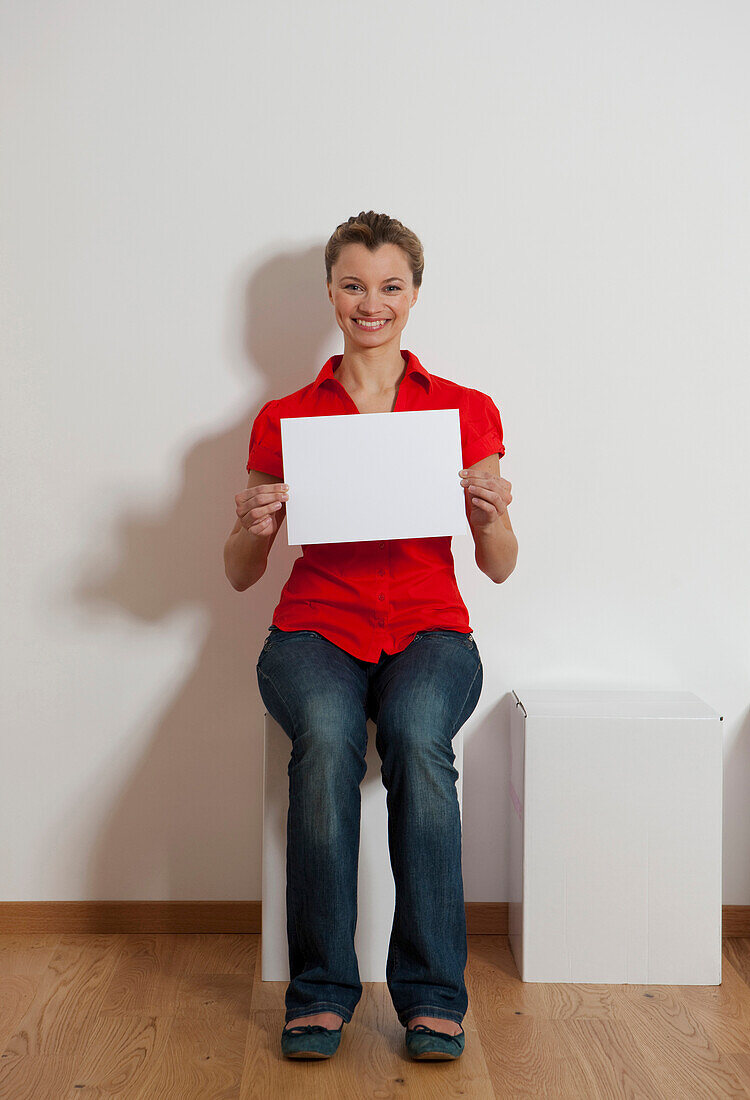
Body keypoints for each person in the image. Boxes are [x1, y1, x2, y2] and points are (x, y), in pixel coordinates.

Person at [223, 210, 518, 1060]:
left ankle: (431, 997)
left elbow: (497, 565)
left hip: (429, 629)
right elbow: (242, 570)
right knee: (324, 741)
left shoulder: (464, 408)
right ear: (330, 292)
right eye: (354, 285)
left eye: (390, 286)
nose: (371, 302)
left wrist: (490, 514)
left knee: (420, 739)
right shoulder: (286, 418)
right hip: (316, 630)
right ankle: (319, 992)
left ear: (415, 294)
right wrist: (254, 519)